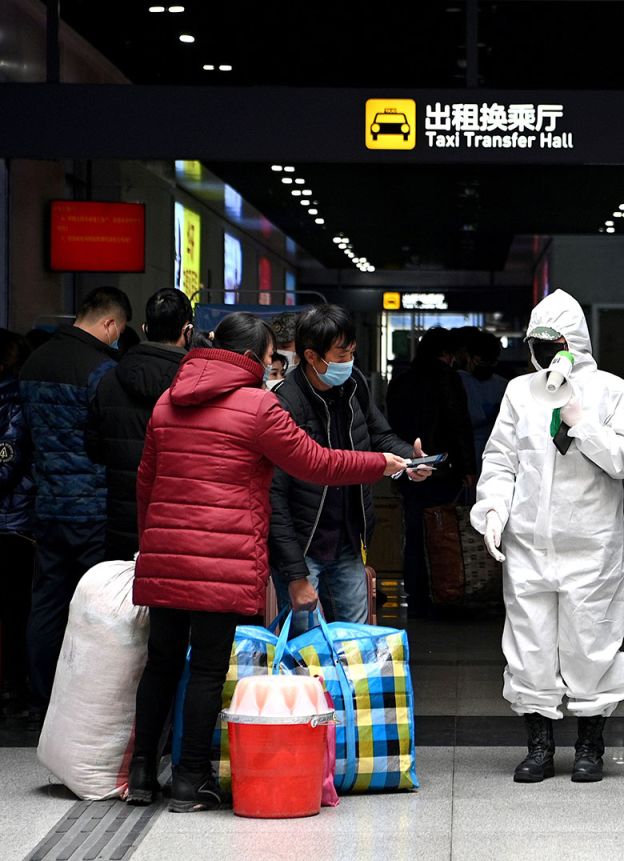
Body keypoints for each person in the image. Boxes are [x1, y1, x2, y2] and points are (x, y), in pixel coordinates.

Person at [126, 312, 411, 812]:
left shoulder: (167, 402)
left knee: (163, 664)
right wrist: (378, 463)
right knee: (209, 669)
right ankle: (190, 780)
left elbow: (145, 483)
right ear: (252, 359)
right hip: (219, 558)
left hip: (165, 555)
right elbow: (315, 462)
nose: (269, 367)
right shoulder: (258, 405)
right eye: (267, 358)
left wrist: (154, 543)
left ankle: (143, 774)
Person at [472, 290, 624, 784]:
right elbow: (501, 458)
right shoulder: (520, 392)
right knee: (530, 646)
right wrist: (494, 509)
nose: (545, 351)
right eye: (536, 342)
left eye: (554, 341)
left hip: (591, 547)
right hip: (528, 544)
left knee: (592, 645)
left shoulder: (610, 390)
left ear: (575, 342)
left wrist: (583, 425)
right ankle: (540, 747)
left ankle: (590, 746)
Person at [268, 304, 429, 636]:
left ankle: (348, 691)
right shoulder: (284, 405)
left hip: (347, 539)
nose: (348, 363)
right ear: (311, 356)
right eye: (341, 356)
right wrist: (296, 575)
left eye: (352, 353)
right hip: (303, 544)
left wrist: (408, 462)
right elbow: (275, 497)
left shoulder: (354, 386)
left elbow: (378, 434)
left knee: (355, 644)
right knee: (306, 648)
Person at [19, 286, 132, 727]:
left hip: (48, 506)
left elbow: (26, 438)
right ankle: (86, 702)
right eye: (118, 332)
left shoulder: (35, 360)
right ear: (109, 324)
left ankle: (42, 697)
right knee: (96, 608)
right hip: (93, 507)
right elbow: (106, 439)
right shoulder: (101, 368)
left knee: (46, 602)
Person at [86, 288, 194, 561]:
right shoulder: (194, 384)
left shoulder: (109, 379)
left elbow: (94, 447)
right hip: (178, 519)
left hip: (120, 517)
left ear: (145, 328)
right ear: (188, 331)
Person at [387, 327, 477, 616]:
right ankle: (445, 591)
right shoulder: (448, 379)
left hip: (407, 467)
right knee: (443, 532)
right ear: (448, 354)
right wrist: (467, 467)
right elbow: (458, 424)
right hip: (442, 469)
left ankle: (417, 595)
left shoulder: (400, 381)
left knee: (413, 532)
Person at [0, 330, 35, 719]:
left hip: (11, 522)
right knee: (15, 610)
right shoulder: (17, 402)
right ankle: (14, 687)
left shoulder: (11, 401)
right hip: (15, 523)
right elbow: (9, 461)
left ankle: (11, 685)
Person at [457, 328, 509, 470]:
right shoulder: (458, 381)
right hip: (468, 451)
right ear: (468, 356)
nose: (486, 366)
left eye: (491, 361)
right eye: (482, 361)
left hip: (496, 449)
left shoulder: (503, 385)